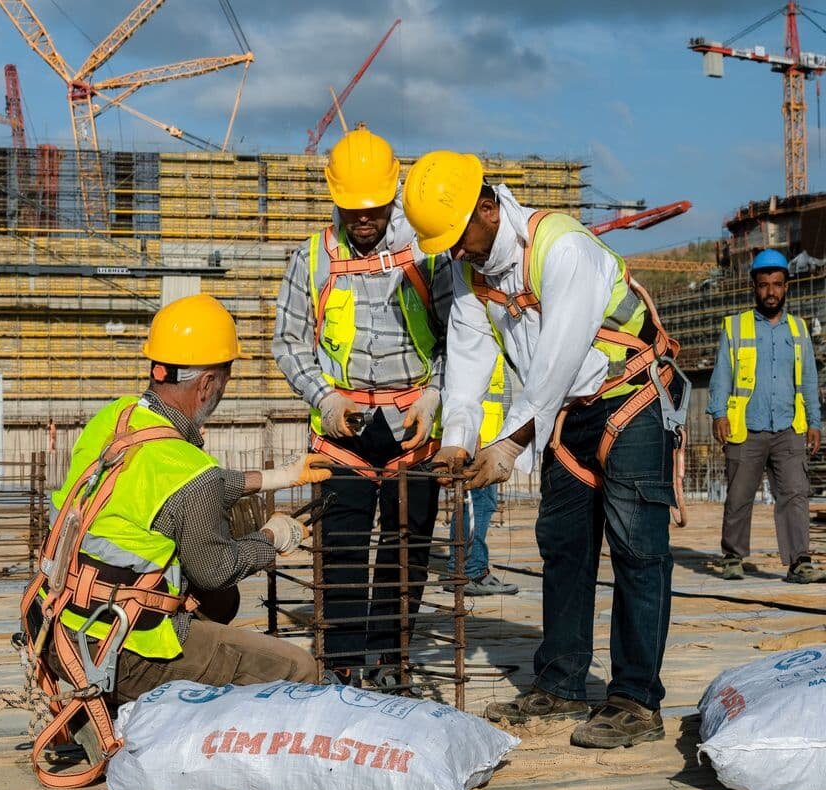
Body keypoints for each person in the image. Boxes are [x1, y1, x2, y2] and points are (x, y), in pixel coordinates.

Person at [404, 150, 687, 749]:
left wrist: (507, 444)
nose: (456, 252)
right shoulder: (469, 270)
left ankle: (636, 699)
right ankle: (559, 685)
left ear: (488, 206)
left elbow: (556, 361)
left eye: (459, 237)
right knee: (563, 548)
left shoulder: (562, 248)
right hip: (563, 418)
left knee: (638, 554)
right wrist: (457, 440)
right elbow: (470, 363)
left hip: (626, 400)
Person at [23, 294, 328, 787]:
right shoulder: (189, 471)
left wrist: (281, 476)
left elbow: (182, 484)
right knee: (296, 665)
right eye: (223, 380)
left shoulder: (116, 420)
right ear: (207, 383)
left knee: (217, 611)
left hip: (60, 631)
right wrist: (274, 538)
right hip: (123, 655)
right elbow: (215, 569)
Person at [273, 124, 450, 685]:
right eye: (352, 209)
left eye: (373, 207)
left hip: (411, 427)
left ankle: (391, 659)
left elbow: (462, 336)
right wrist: (323, 399)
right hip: (342, 432)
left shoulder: (428, 250)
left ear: (393, 194)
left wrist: (434, 392)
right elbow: (288, 340)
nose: (364, 219)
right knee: (342, 553)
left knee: (405, 555)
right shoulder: (313, 257)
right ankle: (345, 662)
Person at [708, 249, 826, 584]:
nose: (770, 291)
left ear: (786, 286)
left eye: (776, 284)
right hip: (746, 426)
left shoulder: (798, 329)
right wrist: (718, 413)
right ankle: (733, 557)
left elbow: (808, 379)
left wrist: (814, 422)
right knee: (739, 496)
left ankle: (799, 561)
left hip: (789, 428)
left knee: (795, 494)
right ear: (754, 287)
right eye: (764, 285)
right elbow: (721, 375)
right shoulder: (735, 327)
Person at [446, 355, 519, 595]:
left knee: (479, 504)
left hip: (489, 437)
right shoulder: (476, 343)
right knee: (477, 505)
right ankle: (470, 571)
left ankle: (468, 568)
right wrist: (467, 431)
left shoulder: (493, 345)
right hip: (478, 439)